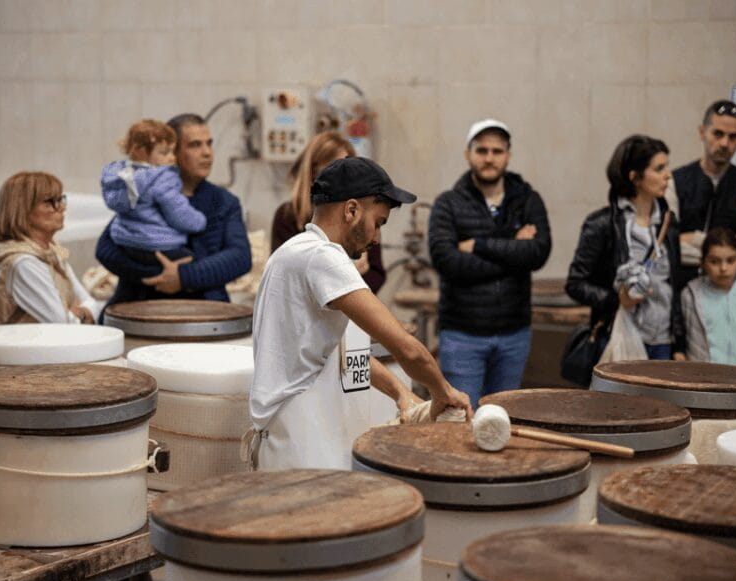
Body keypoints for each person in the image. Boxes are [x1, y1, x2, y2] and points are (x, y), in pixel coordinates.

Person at [248, 157, 472, 470]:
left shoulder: (293, 251)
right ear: (351, 210)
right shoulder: (323, 257)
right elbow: (406, 349)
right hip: (301, 442)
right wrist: (444, 392)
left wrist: (401, 393)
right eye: (378, 223)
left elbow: (341, 353)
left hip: (292, 435)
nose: (377, 238)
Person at [428, 119, 551, 409]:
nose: (489, 158)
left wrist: (479, 246)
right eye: (481, 150)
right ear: (468, 154)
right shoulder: (448, 203)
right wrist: (513, 250)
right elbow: (448, 262)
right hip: (462, 335)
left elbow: (538, 253)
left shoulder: (528, 200)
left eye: (497, 151)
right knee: (462, 418)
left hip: (514, 334)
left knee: (502, 419)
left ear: (508, 155)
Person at [96, 113, 251, 307]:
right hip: (140, 302)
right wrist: (160, 275)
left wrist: (184, 277)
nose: (207, 153)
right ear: (172, 152)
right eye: (195, 145)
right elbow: (105, 249)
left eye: (209, 144)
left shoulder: (224, 202)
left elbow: (240, 257)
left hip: (204, 306)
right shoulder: (143, 192)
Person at [566, 135, 686, 361]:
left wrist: (679, 344)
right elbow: (575, 284)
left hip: (662, 342)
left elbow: (675, 286)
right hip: (619, 336)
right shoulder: (602, 224)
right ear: (635, 177)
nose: (668, 175)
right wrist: (617, 299)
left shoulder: (668, 224)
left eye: (667, 166)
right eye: (659, 168)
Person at [0, 171, 99, 325]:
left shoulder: (51, 251)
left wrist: (79, 312)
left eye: (60, 199)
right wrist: (82, 313)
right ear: (21, 211)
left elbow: (91, 304)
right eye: (49, 202)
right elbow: (63, 324)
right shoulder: (22, 263)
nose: (61, 207)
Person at [271, 131, 386, 293]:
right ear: (313, 173)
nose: (345, 181)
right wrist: (346, 275)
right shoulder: (288, 216)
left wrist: (358, 276)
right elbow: (288, 280)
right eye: (337, 172)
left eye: (349, 174)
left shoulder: (360, 216)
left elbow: (376, 274)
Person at [666, 100, 736, 285]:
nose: (725, 143)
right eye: (718, 134)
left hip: (728, 293)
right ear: (702, 132)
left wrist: (693, 239)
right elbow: (668, 245)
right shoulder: (674, 181)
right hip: (680, 289)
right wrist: (730, 254)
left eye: (733, 137)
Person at [101, 119, 206, 266]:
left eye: (172, 151)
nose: (172, 157)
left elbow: (115, 203)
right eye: (165, 153)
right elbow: (178, 214)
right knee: (197, 262)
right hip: (156, 244)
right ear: (140, 152)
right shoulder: (162, 178)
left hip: (125, 242)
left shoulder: (119, 175)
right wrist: (199, 221)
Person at [681, 227, 736, 368]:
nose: (723, 268)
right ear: (702, 262)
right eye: (714, 261)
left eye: (731, 260)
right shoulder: (691, 295)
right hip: (704, 378)